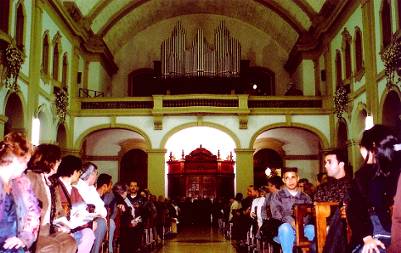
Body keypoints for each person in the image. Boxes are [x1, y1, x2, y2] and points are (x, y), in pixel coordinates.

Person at [347, 125, 401, 253]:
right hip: (373, 232)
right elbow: (355, 210)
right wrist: (367, 238)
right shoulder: (364, 176)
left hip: (387, 231)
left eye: (361, 147)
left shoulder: (394, 173)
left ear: (371, 147)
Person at [26, 144, 77, 253]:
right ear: (49, 160)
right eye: (58, 159)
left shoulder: (52, 182)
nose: (59, 162)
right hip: (35, 232)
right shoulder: (32, 177)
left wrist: (64, 226)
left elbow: (59, 210)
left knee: (70, 241)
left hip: (50, 229)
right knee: (53, 246)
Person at [0, 132, 40, 252]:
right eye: (25, 161)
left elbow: (33, 214)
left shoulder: (22, 183)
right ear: (14, 159)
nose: (26, 166)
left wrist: (23, 239)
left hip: (15, 246)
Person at [54, 155, 95, 253]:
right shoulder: (55, 187)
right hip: (58, 229)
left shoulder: (74, 190)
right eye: (79, 172)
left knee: (89, 234)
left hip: (74, 228)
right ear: (74, 171)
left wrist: (85, 216)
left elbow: (83, 210)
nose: (80, 175)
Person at [270, 167, 314, 253]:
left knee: (312, 228)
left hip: (302, 227)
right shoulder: (277, 195)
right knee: (286, 228)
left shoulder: (305, 197)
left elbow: (309, 213)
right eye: (287, 178)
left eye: (293, 177)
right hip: (283, 229)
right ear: (283, 180)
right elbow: (276, 213)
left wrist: (301, 223)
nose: (290, 181)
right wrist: (291, 222)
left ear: (297, 178)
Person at [75, 162, 108, 253]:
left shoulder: (92, 188)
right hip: (80, 220)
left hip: (91, 219)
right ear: (92, 174)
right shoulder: (77, 186)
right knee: (101, 223)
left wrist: (97, 211)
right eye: (96, 174)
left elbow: (103, 210)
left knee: (101, 222)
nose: (97, 177)